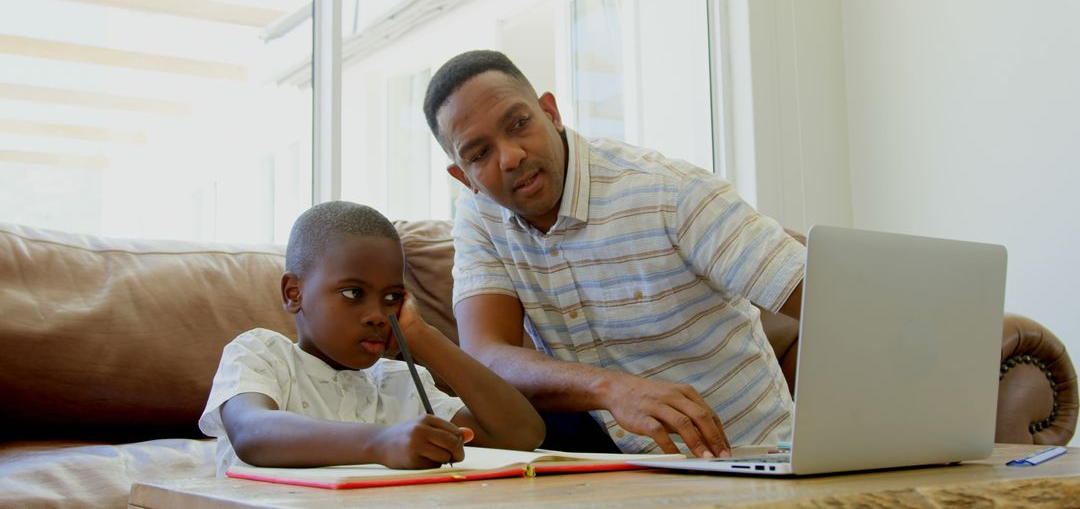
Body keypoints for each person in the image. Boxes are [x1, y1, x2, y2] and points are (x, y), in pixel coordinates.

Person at [422, 50, 806, 459]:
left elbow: (834, 303)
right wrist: (610, 387)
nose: (510, 156)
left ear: (550, 112)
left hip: (753, 457)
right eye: (479, 154)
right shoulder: (481, 215)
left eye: (519, 124)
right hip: (622, 473)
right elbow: (486, 355)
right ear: (464, 178)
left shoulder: (669, 192)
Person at [198, 201, 545, 475]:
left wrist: (421, 336)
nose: (379, 315)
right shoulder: (261, 354)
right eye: (352, 293)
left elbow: (521, 434)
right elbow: (253, 433)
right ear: (294, 293)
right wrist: (381, 441)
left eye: (393, 297)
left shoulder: (399, 383)